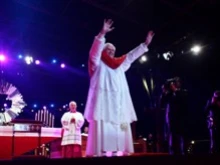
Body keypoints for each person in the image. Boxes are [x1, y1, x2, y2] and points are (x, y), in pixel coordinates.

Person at [84, 19, 155, 157]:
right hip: (104, 104)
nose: (111, 52)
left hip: (119, 103)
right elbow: (93, 53)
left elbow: (131, 56)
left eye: (113, 50)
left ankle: (119, 150)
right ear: (103, 50)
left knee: (120, 127)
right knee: (105, 127)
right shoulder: (97, 63)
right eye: (108, 49)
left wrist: (145, 45)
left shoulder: (120, 65)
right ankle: (103, 151)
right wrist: (102, 34)